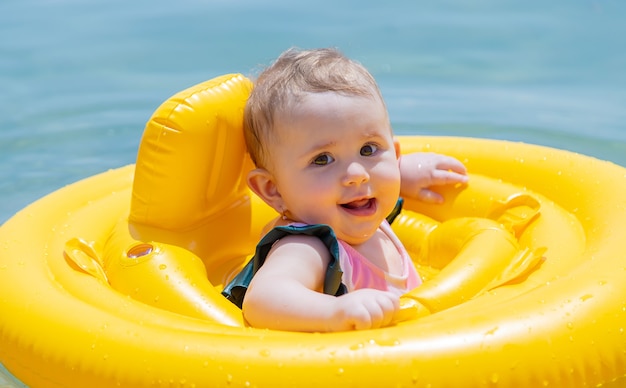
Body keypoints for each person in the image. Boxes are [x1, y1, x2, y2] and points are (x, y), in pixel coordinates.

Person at [222, 47, 468, 332]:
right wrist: (336, 310)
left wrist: (403, 173)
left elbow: (377, 175)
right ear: (272, 189)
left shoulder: (362, 208)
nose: (356, 176)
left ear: (395, 152)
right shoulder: (309, 247)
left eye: (368, 149)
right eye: (322, 159)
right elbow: (263, 300)